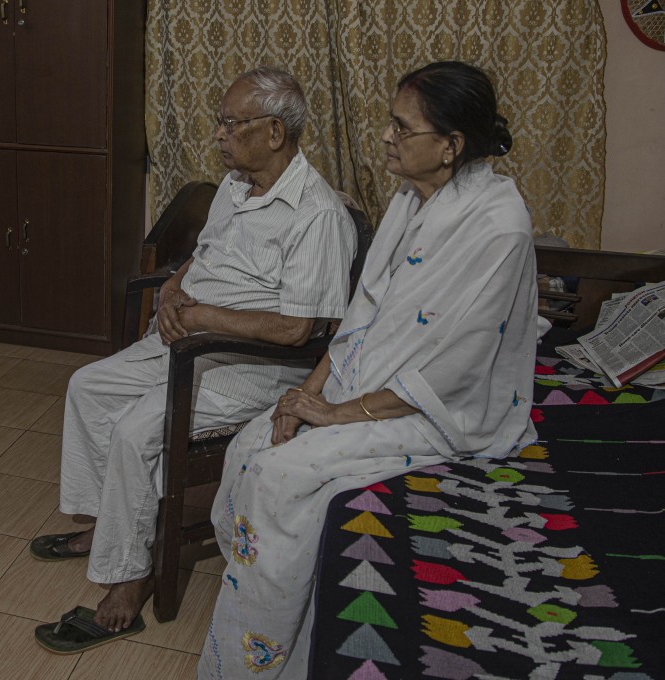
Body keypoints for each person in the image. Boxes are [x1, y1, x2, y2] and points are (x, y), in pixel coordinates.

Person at [197, 61, 539, 679]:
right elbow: (363, 313)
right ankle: (260, 630)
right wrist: (307, 390)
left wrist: (332, 414)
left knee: (279, 477)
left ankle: (271, 663)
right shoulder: (413, 197)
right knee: (248, 446)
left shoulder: (498, 226)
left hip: (440, 411)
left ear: (450, 146)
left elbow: (455, 369)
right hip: (366, 381)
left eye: (401, 128)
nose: (384, 136)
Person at [32, 66, 357, 652]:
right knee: (87, 385)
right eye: (221, 122)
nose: (219, 135)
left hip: (249, 363)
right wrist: (176, 288)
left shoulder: (318, 215)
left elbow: (297, 328)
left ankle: (128, 585)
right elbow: (204, 255)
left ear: (276, 132)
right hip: (188, 340)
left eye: (232, 124)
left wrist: (203, 317)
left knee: (136, 429)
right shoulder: (235, 187)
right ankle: (103, 528)